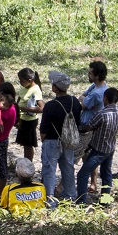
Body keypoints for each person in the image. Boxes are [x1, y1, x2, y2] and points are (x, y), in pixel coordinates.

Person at [38, 71, 82, 205]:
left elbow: (43, 129)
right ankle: (70, 197)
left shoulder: (50, 105)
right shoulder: (75, 102)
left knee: (49, 170)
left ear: (55, 87)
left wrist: (44, 140)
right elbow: (78, 122)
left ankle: (50, 200)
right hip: (69, 141)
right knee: (68, 168)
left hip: (52, 140)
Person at [76, 88, 118, 204]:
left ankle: (81, 201)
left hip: (99, 150)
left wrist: (78, 128)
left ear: (105, 98)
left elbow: (89, 127)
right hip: (110, 148)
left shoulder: (102, 114)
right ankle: (105, 201)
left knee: (82, 174)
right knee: (106, 174)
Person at [15, 68, 44, 161]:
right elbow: (19, 99)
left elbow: (42, 108)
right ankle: (25, 161)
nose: (20, 83)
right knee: (24, 143)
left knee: (28, 144)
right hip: (22, 119)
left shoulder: (35, 90)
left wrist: (25, 109)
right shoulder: (24, 87)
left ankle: (29, 163)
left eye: (21, 81)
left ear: (29, 80)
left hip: (29, 121)